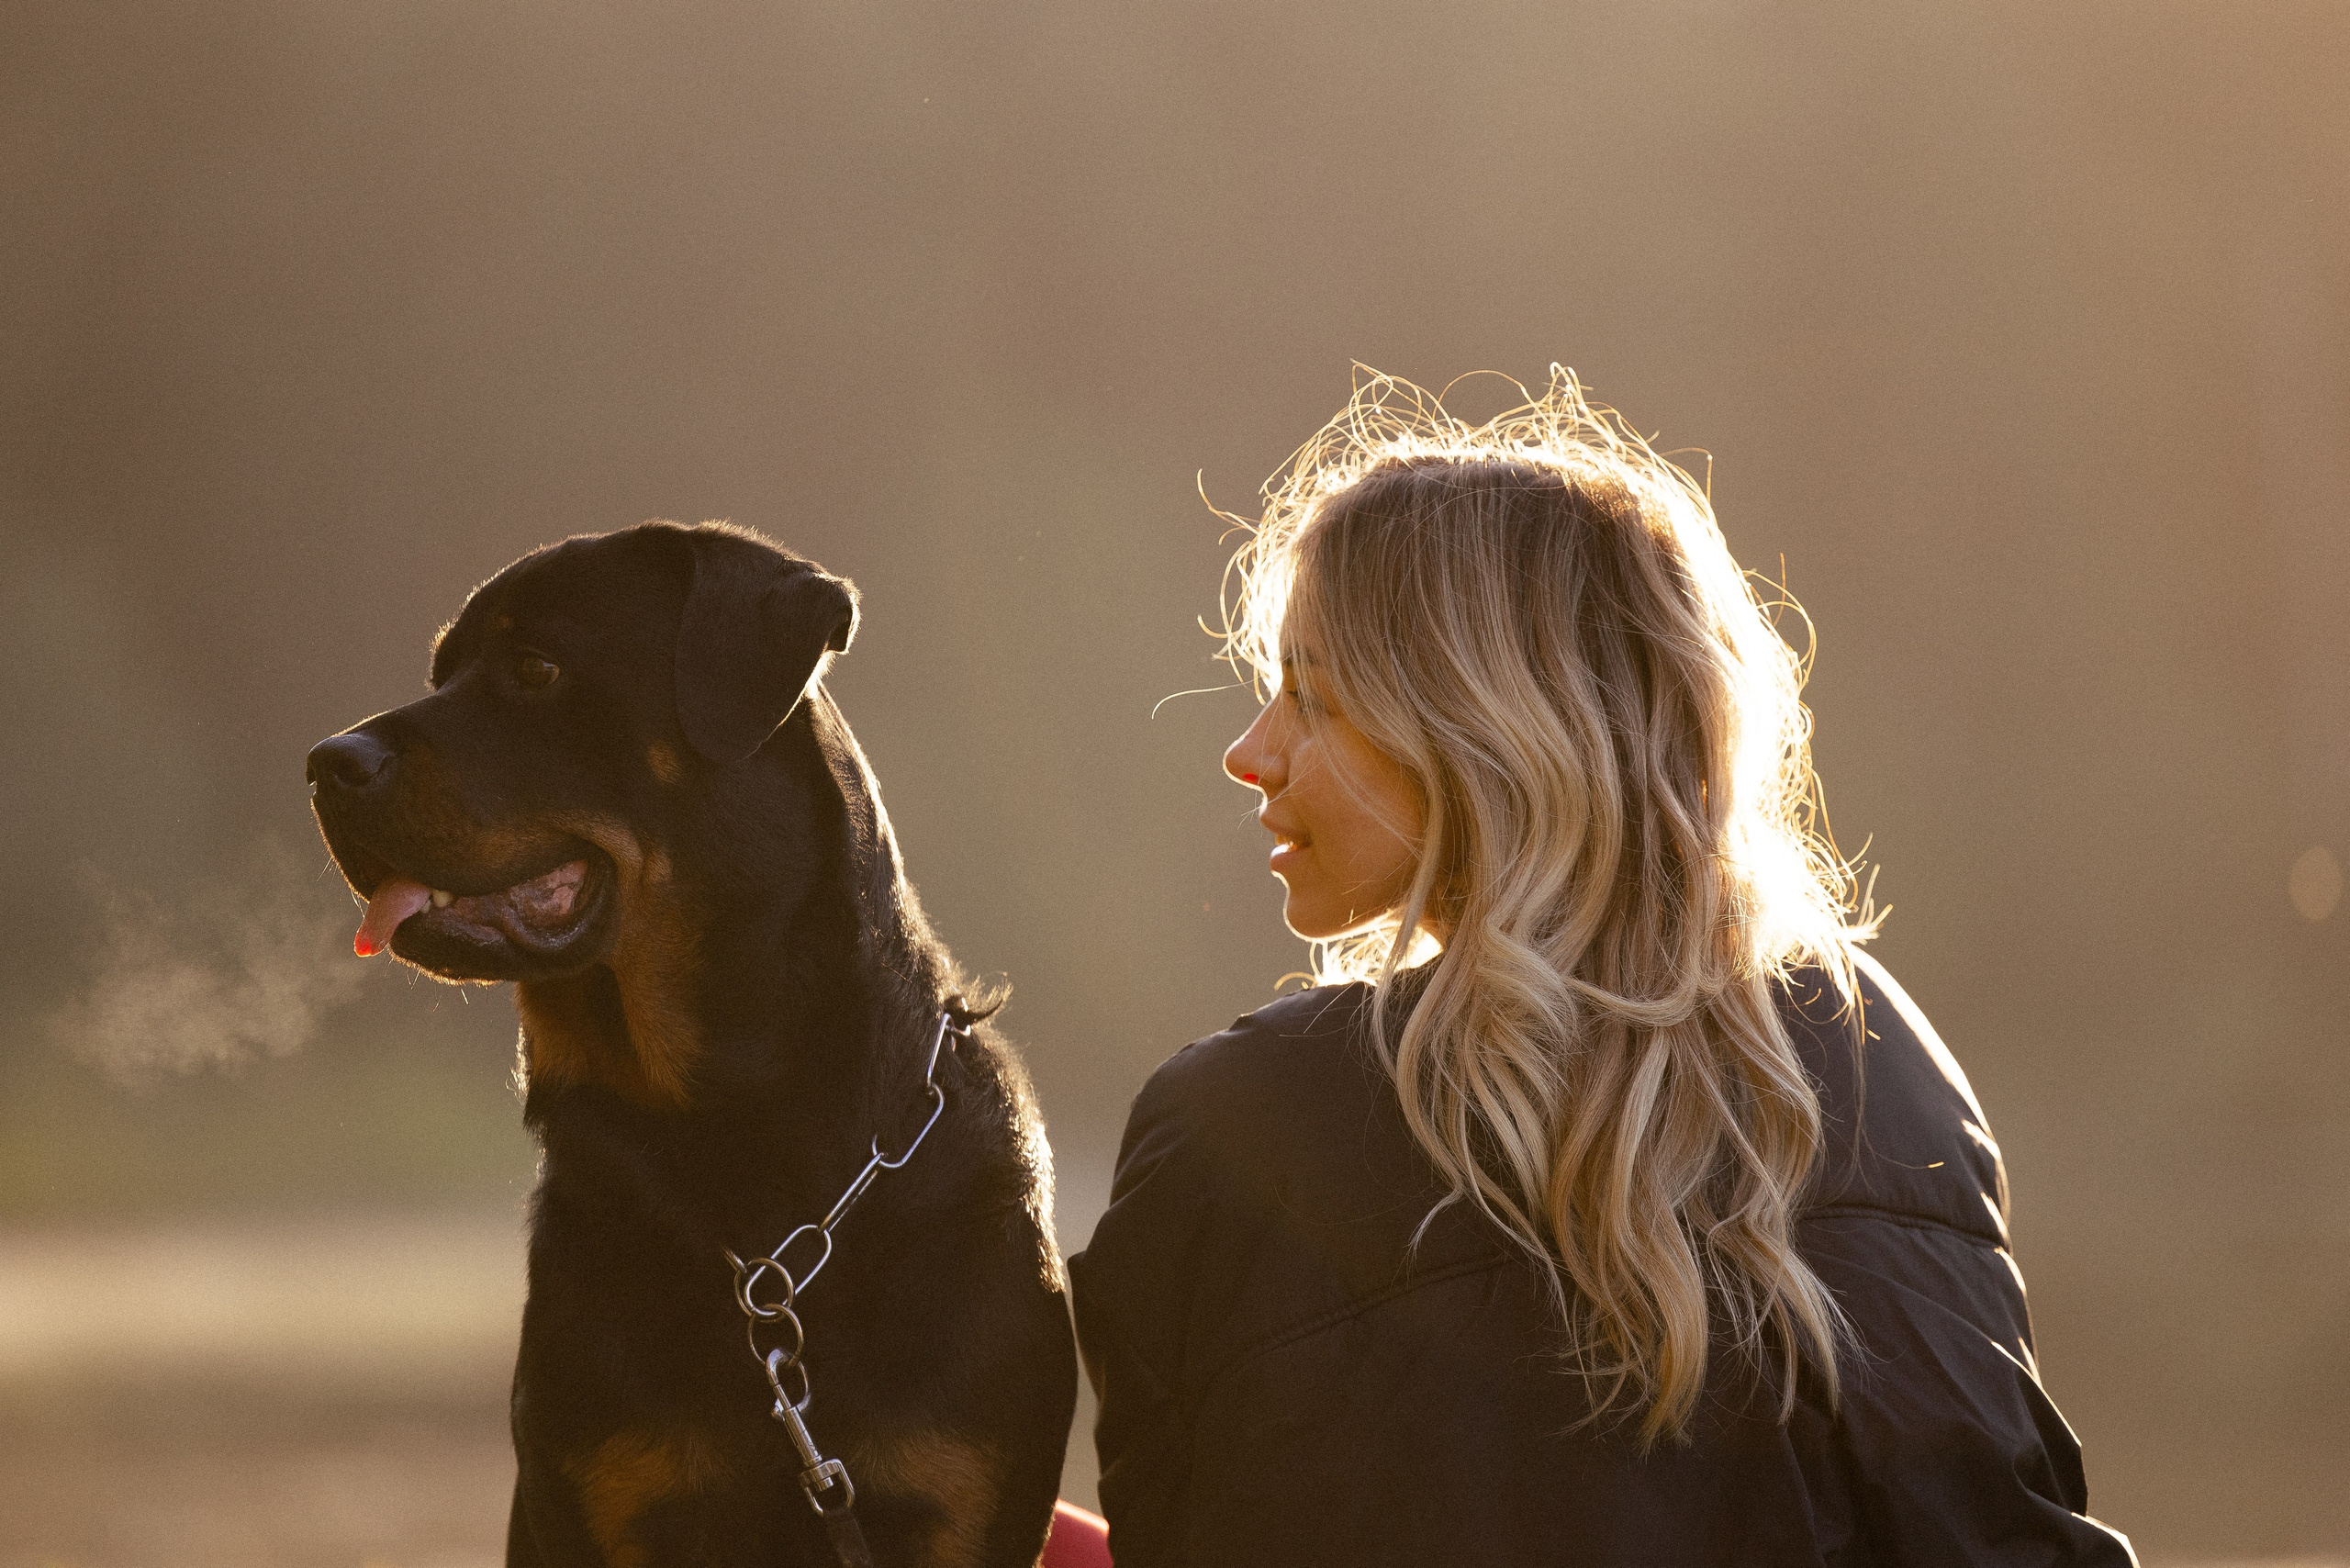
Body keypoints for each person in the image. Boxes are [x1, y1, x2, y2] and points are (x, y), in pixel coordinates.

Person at [1068, 370, 2135, 1565]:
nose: (1249, 751)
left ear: (1479, 729)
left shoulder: (1231, 1131)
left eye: (1312, 697)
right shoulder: (1866, 1057)